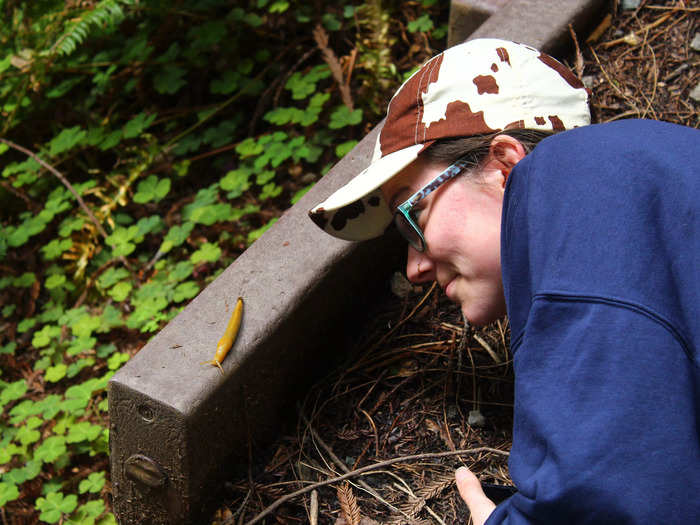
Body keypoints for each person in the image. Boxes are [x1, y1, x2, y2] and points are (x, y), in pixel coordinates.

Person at [308, 38, 699, 523]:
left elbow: (619, 500)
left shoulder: (576, 183)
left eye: (412, 217)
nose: (414, 268)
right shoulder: (638, 193)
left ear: (505, 166)